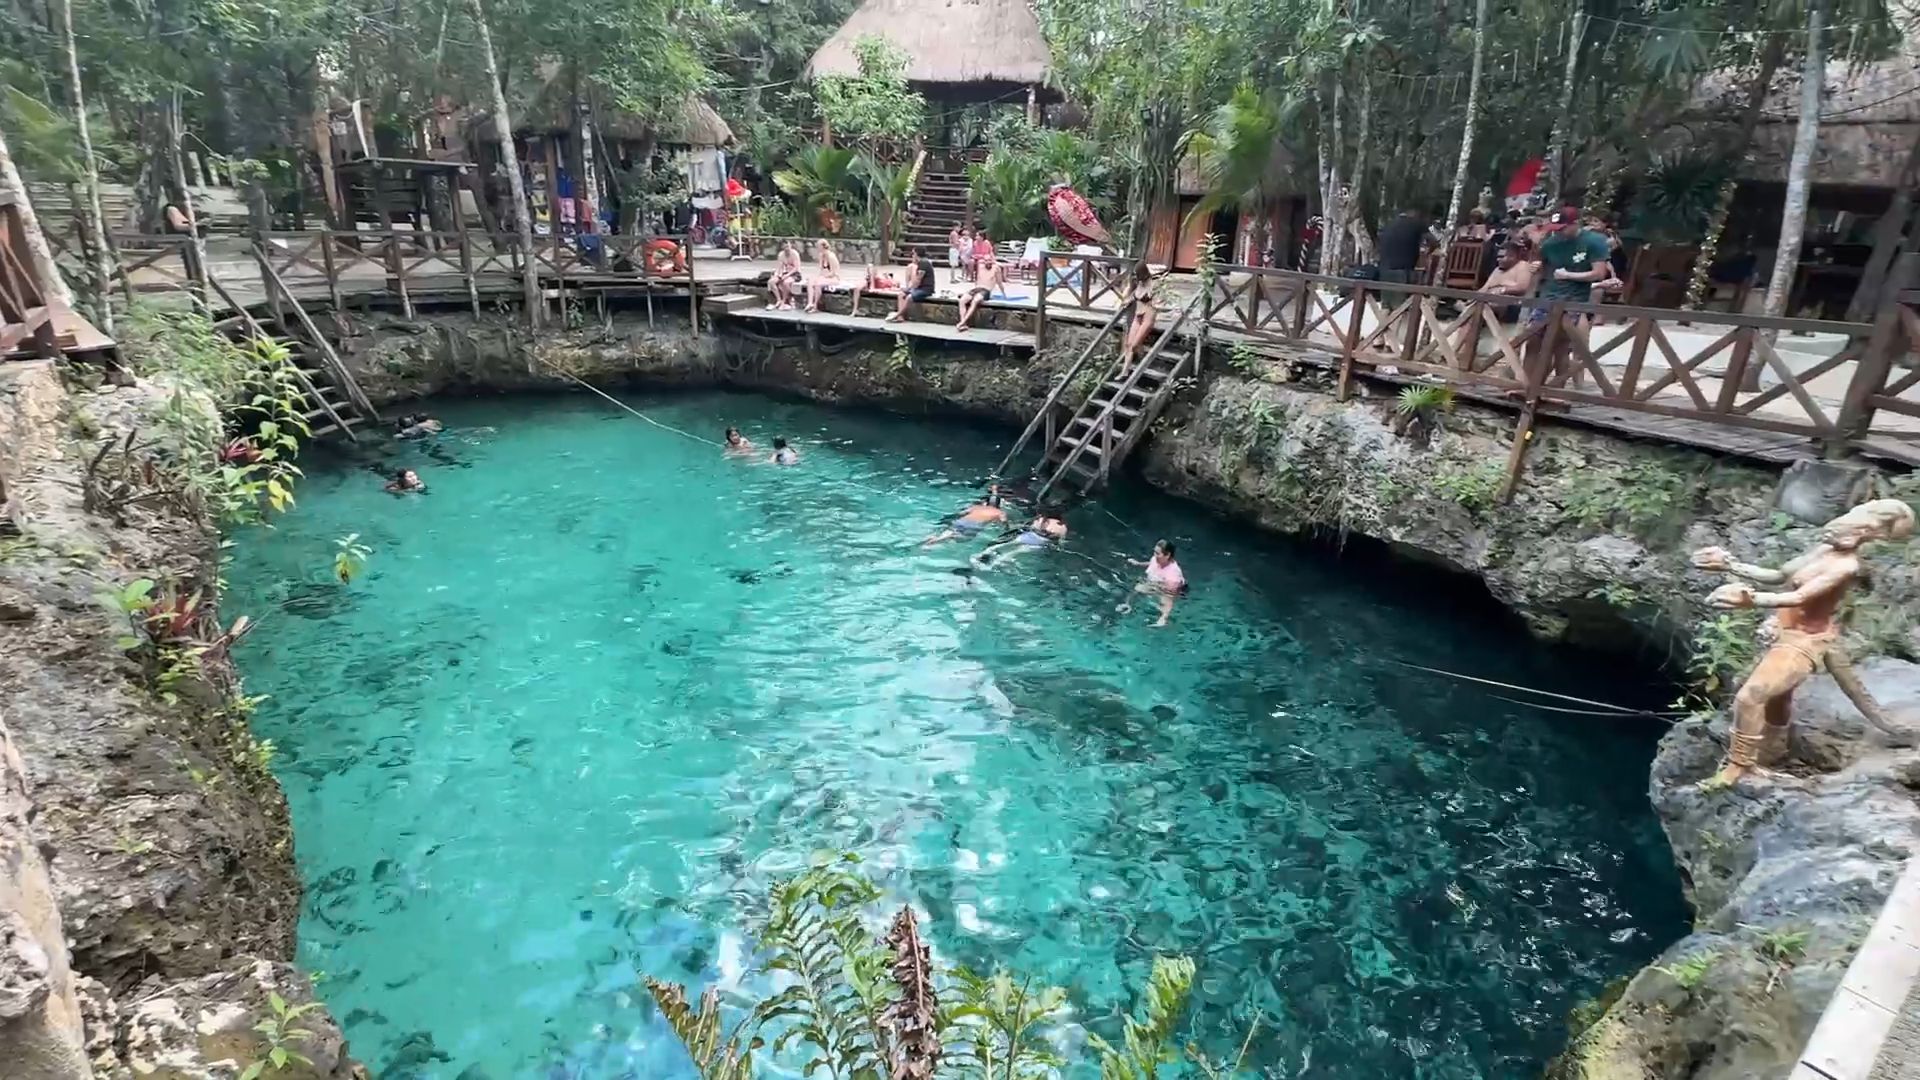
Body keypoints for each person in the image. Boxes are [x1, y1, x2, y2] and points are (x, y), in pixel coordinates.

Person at [1535, 205, 1612, 385]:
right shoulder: (1550, 244)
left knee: (1562, 346)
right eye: (1556, 229)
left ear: (1575, 223)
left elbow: (1599, 273)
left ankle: (1558, 388)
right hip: (1548, 297)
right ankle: (1530, 385)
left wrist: (1569, 275)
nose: (1560, 233)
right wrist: (1537, 269)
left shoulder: (1594, 241)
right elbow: (1542, 269)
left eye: (1563, 228)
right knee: (1534, 342)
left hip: (1574, 300)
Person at [1119, 539, 1187, 627]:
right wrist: (1138, 564)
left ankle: (1162, 620)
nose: (1154, 555)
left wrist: (1164, 617)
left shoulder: (1173, 575)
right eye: (1154, 552)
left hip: (1172, 589)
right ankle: (1127, 604)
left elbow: (1169, 597)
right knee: (1137, 588)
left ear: (1167, 555)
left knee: (1164, 601)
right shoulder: (1156, 559)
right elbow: (1152, 563)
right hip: (1156, 584)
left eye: (1157, 553)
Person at [973, 507, 1068, 567]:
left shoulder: (1042, 519)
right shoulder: (1063, 527)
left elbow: (1032, 528)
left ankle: (983, 553)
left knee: (1004, 544)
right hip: (1039, 543)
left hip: (1029, 536)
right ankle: (995, 564)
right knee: (1015, 552)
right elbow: (1060, 540)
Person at [922, 485, 1007, 546]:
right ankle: (940, 539)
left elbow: (961, 513)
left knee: (951, 531)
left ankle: (935, 539)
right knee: (964, 539)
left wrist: (994, 489)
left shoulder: (976, 507)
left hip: (962, 520)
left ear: (985, 503)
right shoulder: (999, 512)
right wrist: (1006, 528)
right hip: (975, 525)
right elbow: (1003, 522)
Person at [1481, 239, 1540, 321]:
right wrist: (1472, 298)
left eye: (1502, 257)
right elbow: (1485, 288)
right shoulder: (1497, 270)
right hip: (1491, 302)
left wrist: (1501, 290)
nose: (1498, 260)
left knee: (1483, 307)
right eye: (1498, 257)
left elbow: (1522, 288)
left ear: (1513, 256)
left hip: (1512, 305)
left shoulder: (1522, 266)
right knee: (1477, 306)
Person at [1118, 263, 1158, 377]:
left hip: (1148, 317)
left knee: (1135, 345)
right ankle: (1124, 371)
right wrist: (1127, 301)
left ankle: (1143, 365)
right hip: (1137, 315)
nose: (1136, 277)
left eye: (1137, 274)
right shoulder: (1138, 284)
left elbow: (1160, 302)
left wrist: (1155, 302)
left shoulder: (1153, 284)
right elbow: (1131, 296)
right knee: (1128, 344)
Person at [884, 248, 937, 323]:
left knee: (909, 297)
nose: (911, 256)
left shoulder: (924, 263)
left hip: (926, 289)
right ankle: (900, 317)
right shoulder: (920, 263)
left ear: (916, 254)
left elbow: (918, 280)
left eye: (912, 254)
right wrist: (908, 289)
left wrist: (911, 289)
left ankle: (897, 315)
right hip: (919, 288)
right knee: (901, 294)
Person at [956, 250, 1002, 333]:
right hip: (977, 288)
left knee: (975, 301)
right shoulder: (980, 266)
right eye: (986, 260)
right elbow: (977, 259)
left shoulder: (996, 268)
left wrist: (1004, 293)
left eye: (989, 260)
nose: (988, 262)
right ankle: (963, 322)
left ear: (992, 260)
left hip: (986, 289)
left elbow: (999, 282)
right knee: (962, 300)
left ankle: (962, 322)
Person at [1376, 208, 1426, 284]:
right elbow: (1436, 238)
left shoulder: (1388, 224)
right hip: (1405, 272)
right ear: (1413, 212)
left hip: (1383, 271)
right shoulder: (1416, 223)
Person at [805, 239, 841, 313]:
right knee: (810, 281)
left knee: (818, 284)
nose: (817, 248)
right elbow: (821, 270)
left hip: (834, 278)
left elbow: (834, 272)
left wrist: (824, 276)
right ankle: (810, 303)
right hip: (824, 276)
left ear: (822, 246)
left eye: (818, 246)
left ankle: (815, 306)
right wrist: (820, 276)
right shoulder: (821, 255)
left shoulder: (831, 256)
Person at [769, 241, 804, 310]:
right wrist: (778, 275)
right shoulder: (781, 255)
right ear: (782, 247)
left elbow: (796, 268)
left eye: (788, 246)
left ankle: (784, 301)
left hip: (795, 273)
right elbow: (780, 267)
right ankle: (779, 299)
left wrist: (787, 275)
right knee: (771, 282)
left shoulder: (794, 254)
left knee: (786, 283)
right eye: (785, 247)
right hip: (785, 272)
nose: (787, 249)